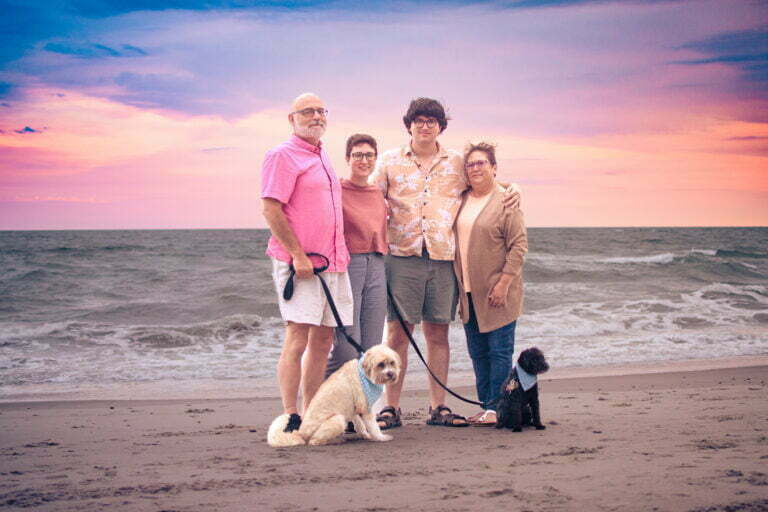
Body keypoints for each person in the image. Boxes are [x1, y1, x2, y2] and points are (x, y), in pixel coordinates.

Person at [370, 97, 521, 429]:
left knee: (438, 334)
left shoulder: (456, 162)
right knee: (397, 335)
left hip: (442, 259)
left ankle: (437, 407)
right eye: (419, 121)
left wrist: (513, 187)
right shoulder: (389, 160)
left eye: (432, 121)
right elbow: (368, 196)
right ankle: (390, 408)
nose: (425, 126)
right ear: (409, 125)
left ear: (440, 126)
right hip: (401, 257)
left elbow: (485, 183)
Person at [261, 93, 352, 433]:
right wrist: (297, 255)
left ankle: (311, 411)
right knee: (297, 336)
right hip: (301, 264)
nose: (316, 116)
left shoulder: (322, 154)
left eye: (320, 111)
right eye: (307, 111)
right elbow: (271, 208)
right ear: (292, 118)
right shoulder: (281, 155)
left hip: (333, 262)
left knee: (324, 340)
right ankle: (290, 415)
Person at [454, 142, 528, 426]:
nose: (475, 168)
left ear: (494, 168)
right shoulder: (461, 198)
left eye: (481, 163)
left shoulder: (506, 201)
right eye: (470, 164)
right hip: (468, 293)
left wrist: (504, 283)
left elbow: (518, 246)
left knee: (499, 352)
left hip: (498, 291)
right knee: (478, 354)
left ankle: (499, 409)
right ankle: (487, 407)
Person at [325, 134, 388, 377]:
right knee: (347, 348)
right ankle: (322, 394)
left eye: (369, 155)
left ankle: (362, 399)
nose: (364, 160)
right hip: (349, 265)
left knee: (371, 349)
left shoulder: (377, 193)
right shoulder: (336, 189)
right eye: (358, 155)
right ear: (347, 158)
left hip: (377, 265)